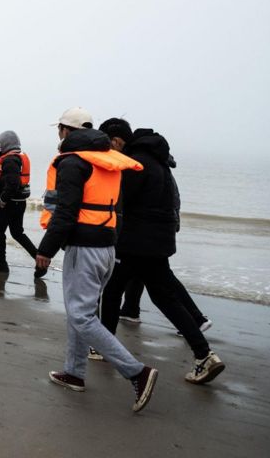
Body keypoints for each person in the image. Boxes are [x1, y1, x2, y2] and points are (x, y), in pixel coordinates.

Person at [35, 107, 158, 413]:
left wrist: (45, 250)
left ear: (66, 130)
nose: (58, 135)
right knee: (82, 311)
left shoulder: (73, 162)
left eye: (59, 129)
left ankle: (137, 372)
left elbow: (65, 212)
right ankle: (74, 373)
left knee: (80, 315)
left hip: (84, 249)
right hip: (107, 247)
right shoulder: (107, 159)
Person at [95, 118, 224, 384]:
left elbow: (119, 202)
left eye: (108, 144)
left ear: (117, 140)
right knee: (164, 298)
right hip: (159, 241)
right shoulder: (159, 160)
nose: (109, 150)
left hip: (135, 242)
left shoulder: (134, 163)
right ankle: (205, 355)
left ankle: (104, 347)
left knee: (112, 290)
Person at [0, 130, 40, 274]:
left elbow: (12, 183)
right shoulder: (17, 156)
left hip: (9, 203)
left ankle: (1, 263)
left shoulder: (10, 160)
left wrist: (3, 199)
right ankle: (39, 259)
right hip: (19, 202)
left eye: (1, 143)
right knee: (17, 232)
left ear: (7, 143)